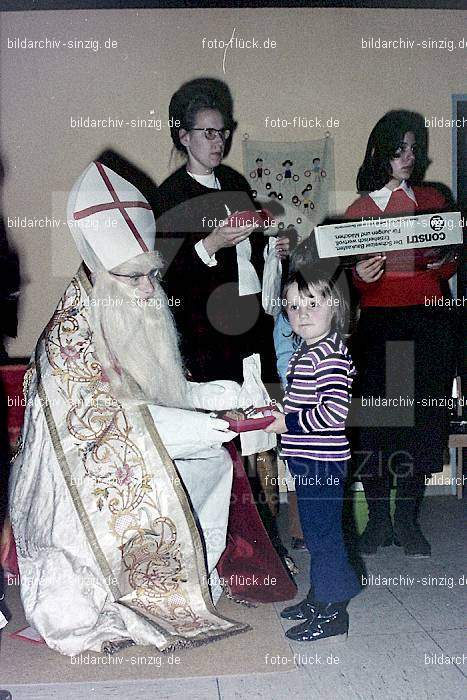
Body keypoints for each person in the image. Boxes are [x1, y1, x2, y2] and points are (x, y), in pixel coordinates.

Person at [8, 162, 295, 657]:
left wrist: (234, 398)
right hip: (74, 484)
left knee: (207, 463)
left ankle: (188, 584)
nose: (148, 290)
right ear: (100, 272)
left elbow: (170, 391)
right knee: (203, 449)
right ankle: (109, 601)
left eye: (153, 275)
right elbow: (120, 429)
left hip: (135, 443)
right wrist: (221, 425)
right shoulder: (70, 339)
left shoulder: (129, 305)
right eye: (134, 278)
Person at [154, 78, 290, 563]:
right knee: (220, 443)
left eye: (223, 132)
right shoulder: (170, 195)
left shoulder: (234, 184)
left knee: (261, 437)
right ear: (183, 136)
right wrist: (210, 245)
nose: (219, 141)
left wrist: (274, 248)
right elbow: (164, 278)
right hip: (206, 342)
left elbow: (249, 260)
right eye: (208, 133)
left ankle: (265, 544)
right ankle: (219, 550)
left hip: (249, 329)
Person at [345, 110, 459, 557]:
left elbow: (450, 260)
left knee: (419, 425)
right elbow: (356, 280)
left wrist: (443, 261)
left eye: (414, 148)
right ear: (380, 152)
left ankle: (407, 523)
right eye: (400, 149)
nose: (409, 157)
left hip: (428, 323)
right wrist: (363, 273)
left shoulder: (433, 198)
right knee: (376, 423)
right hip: (380, 325)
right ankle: (376, 522)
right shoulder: (359, 209)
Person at [265, 264, 361, 642]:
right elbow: (306, 403)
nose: (301, 313)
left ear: (334, 305)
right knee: (316, 533)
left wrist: (288, 424)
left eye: (311, 303)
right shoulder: (310, 350)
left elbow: (334, 412)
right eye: (291, 306)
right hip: (309, 459)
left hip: (322, 460)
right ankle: (318, 597)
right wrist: (282, 415)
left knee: (324, 537)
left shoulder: (330, 355)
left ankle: (333, 611)